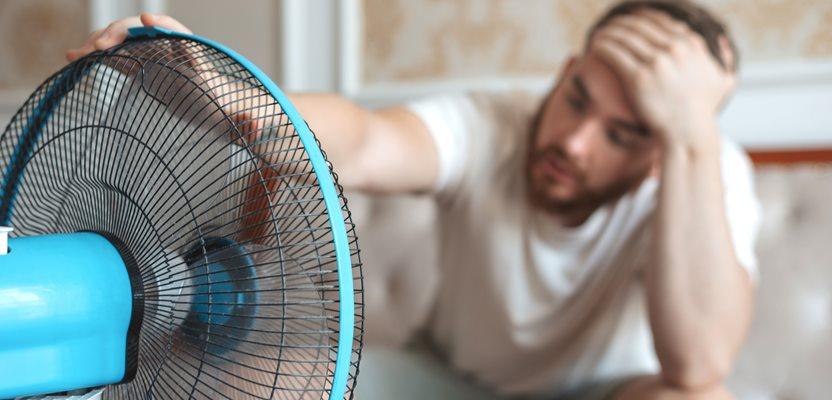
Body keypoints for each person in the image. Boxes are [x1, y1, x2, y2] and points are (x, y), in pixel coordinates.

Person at [68, 1, 760, 398]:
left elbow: (699, 363)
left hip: (610, 397)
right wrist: (236, 107)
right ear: (566, 71)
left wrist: (692, 135)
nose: (576, 143)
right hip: (452, 383)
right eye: (577, 98)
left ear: (667, 142)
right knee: (255, 381)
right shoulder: (491, 126)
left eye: (624, 133)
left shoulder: (704, 167)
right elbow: (366, 141)